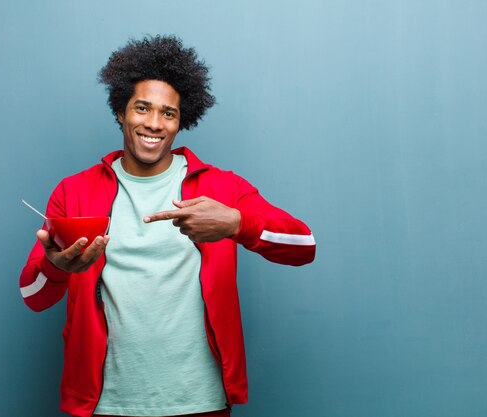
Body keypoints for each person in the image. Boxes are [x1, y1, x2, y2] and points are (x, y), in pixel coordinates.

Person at [19, 35, 316, 417]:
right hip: (107, 404)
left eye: (168, 113)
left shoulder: (221, 187)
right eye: (142, 108)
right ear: (121, 112)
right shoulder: (73, 191)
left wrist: (237, 223)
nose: (154, 124)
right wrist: (56, 268)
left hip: (201, 401)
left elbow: (304, 246)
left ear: (181, 121)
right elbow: (33, 295)